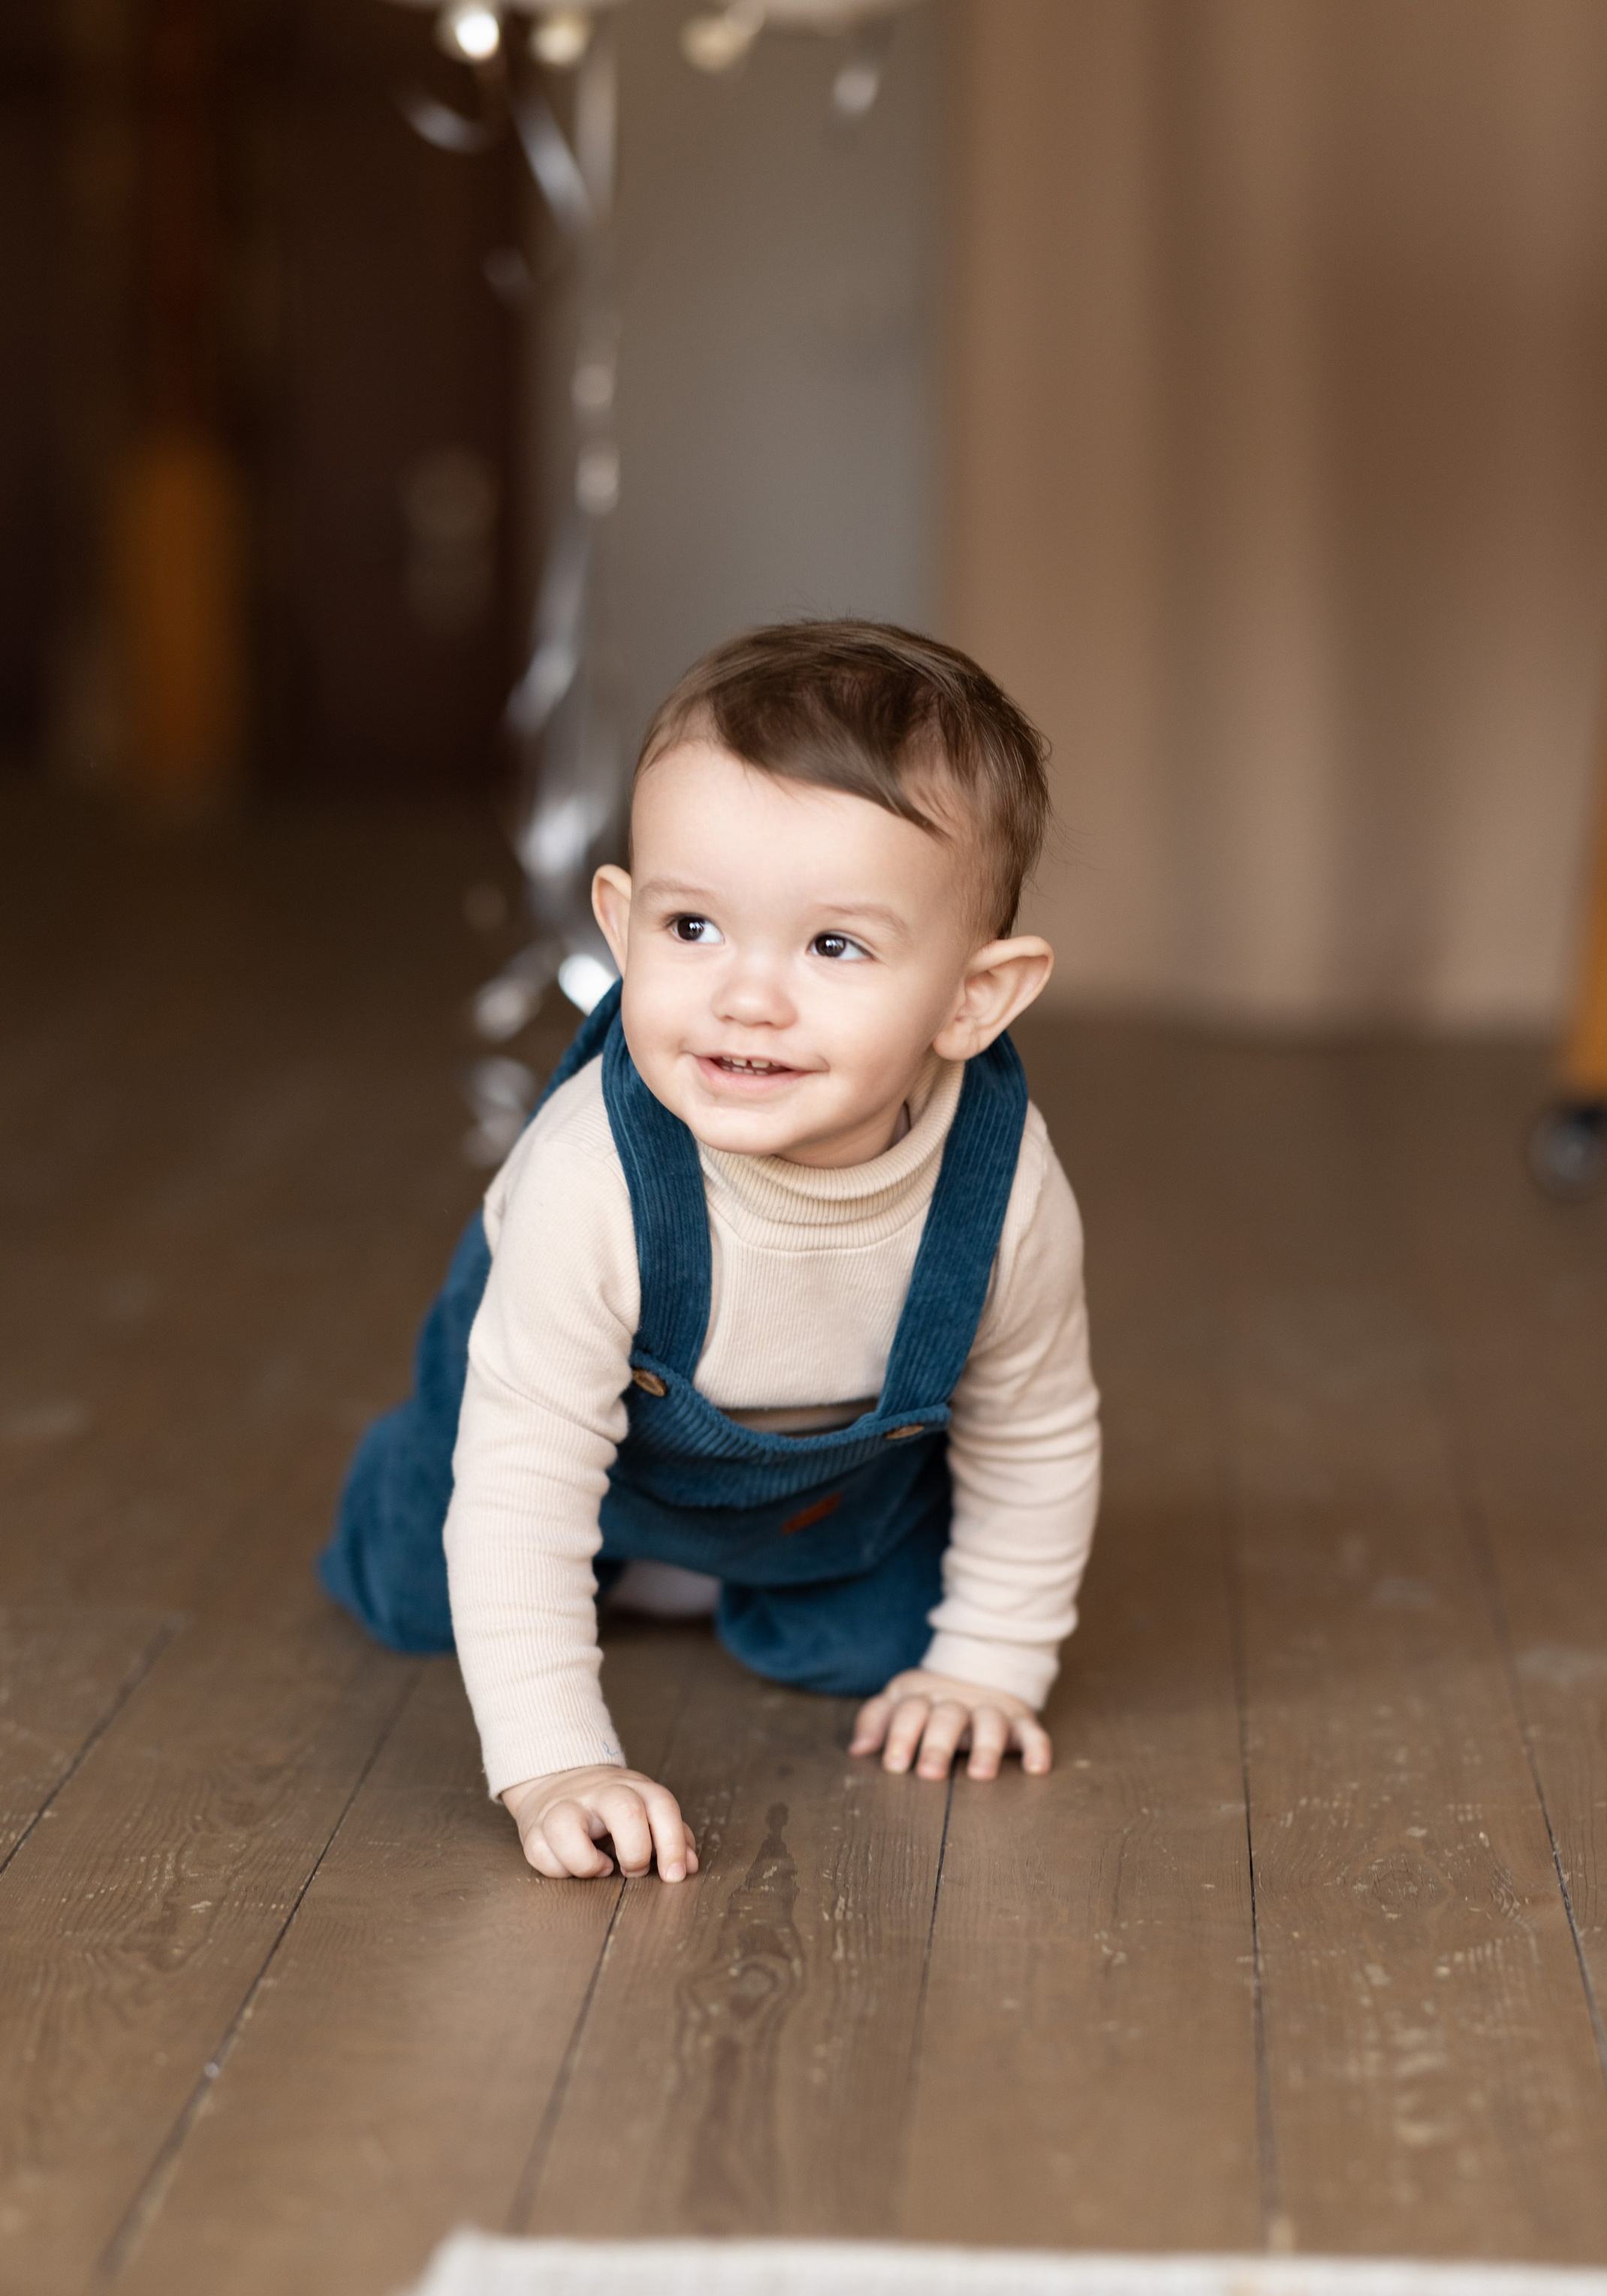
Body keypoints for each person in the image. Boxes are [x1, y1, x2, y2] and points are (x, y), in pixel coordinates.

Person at [319, 621, 1102, 1884]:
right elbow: (523, 1479)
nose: (747, 996)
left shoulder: (1004, 1190)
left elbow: (1036, 1431)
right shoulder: (596, 1181)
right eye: (693, 929)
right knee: (423, 1585)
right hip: (546, 1421)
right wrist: (556, 1761)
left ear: (976, 996)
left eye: (833, 945)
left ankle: (686, 1578)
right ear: (621, 925)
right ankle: (436, 1494)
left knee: (884, 1656)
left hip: (814, 1488)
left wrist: (987, 1665)